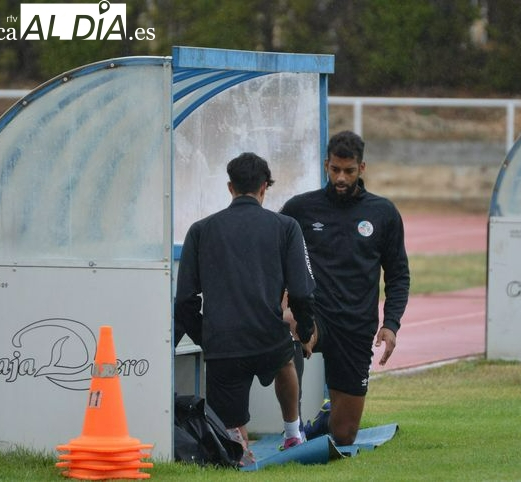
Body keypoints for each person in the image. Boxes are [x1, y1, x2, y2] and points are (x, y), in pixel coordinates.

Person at [174, 152, 316, 465]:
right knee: (286, 361)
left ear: (230, 187)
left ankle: (238, 448)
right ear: (264, 187)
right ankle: (293, 433)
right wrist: (305, 331)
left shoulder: (200, 230)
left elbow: (184, 300)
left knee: (230, 435)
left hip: (224, 344)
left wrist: (206, 337)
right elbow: (302, 292)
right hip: (269, 338)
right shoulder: (286, 226)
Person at [281, 130, 410, 446]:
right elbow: (275, 260)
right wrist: (285, 305)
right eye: (335, 169)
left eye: (349, 171)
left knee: (344, 435)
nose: (340, 177)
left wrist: (391, 324)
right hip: (315, 314)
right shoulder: (300, 209)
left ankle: (327, 418)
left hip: (357, 324)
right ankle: (292, 428)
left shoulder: (383, 213)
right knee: (292, 330)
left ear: (361, 168)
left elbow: (398, 275)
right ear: (326, 164)